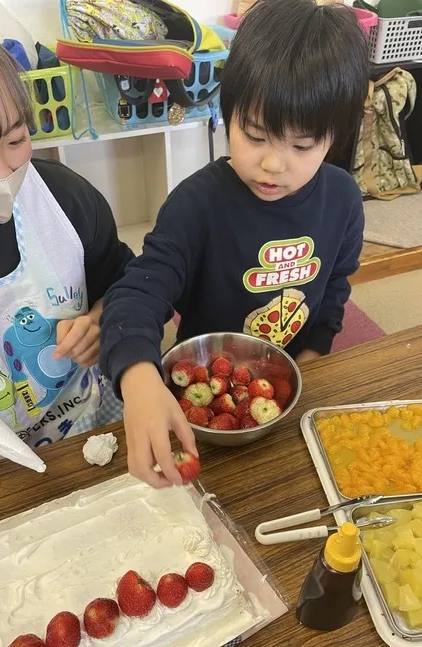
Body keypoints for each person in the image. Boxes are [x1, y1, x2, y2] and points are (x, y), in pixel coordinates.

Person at [99, 0, 370, 488]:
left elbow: (332, 292)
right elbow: (139, 292)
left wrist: (310, 366)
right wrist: (138, 378)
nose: (273, 164)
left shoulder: (344, 200)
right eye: (255, 135)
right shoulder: (197, 203)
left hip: (288, 394)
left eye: (302, 146)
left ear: (334, 137)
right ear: (228, 115)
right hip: (208, 406)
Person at [0, 0, 133, 461]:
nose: (0, 173)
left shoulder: (66, 199)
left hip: (84, 432)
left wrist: (101, 321)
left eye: (16, 140)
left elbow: (125, 283)